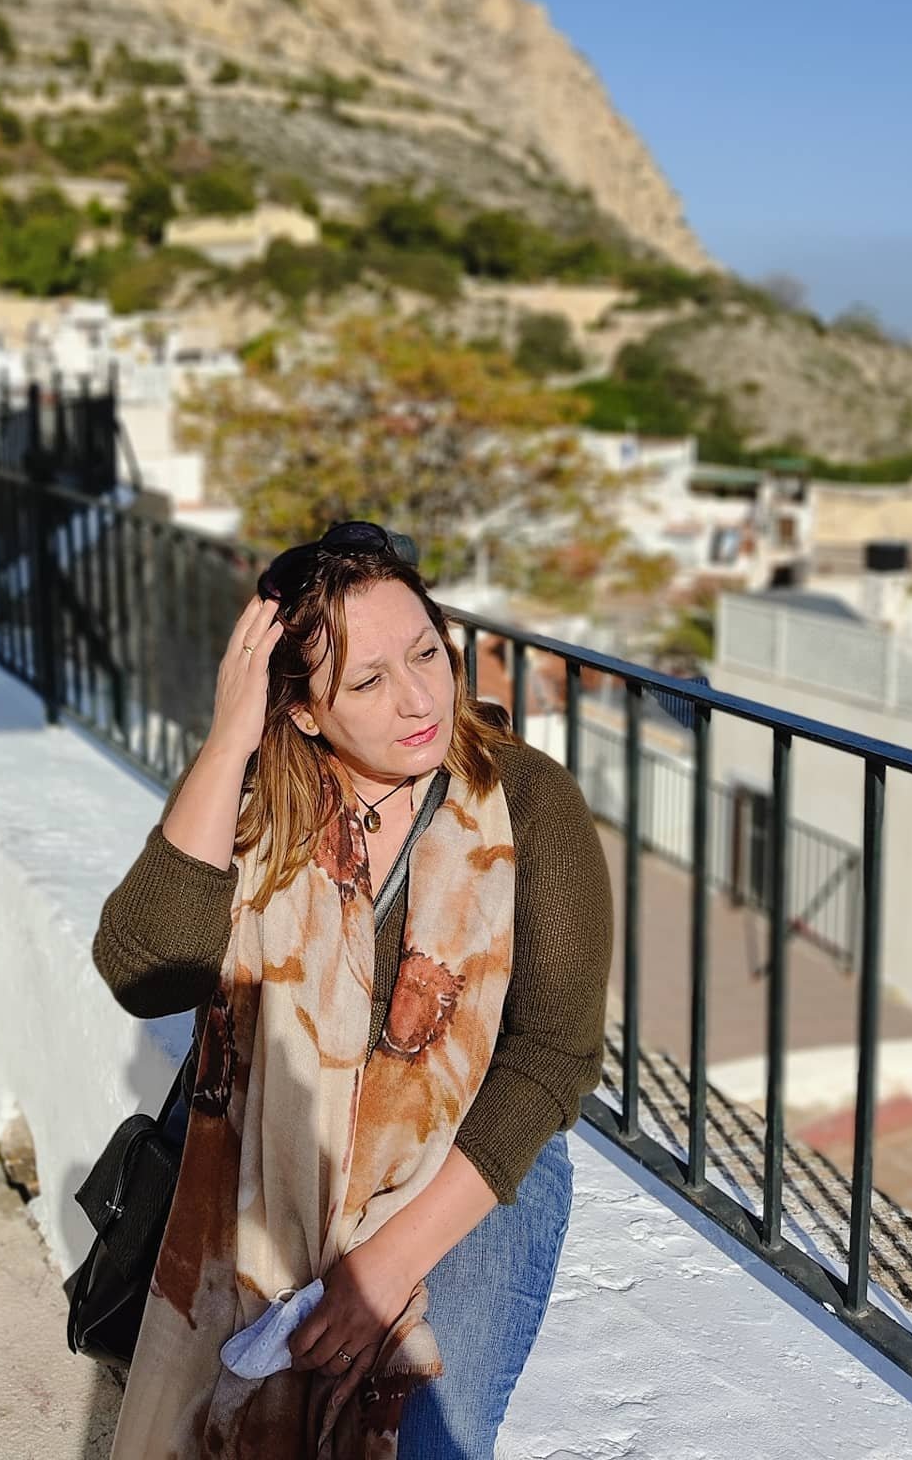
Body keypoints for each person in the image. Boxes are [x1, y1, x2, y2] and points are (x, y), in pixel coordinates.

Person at [93, 521, 613, 1459]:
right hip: (279, 1146)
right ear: (301, 711)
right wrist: (227, 743)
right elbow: (143, 971)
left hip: (472, 1156)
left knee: (424, 1441)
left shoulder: (528, 801)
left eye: (427, 653)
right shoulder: (263, 793)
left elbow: (554, 1056)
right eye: (368, 682)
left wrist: (385, 1267)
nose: (419, 699)